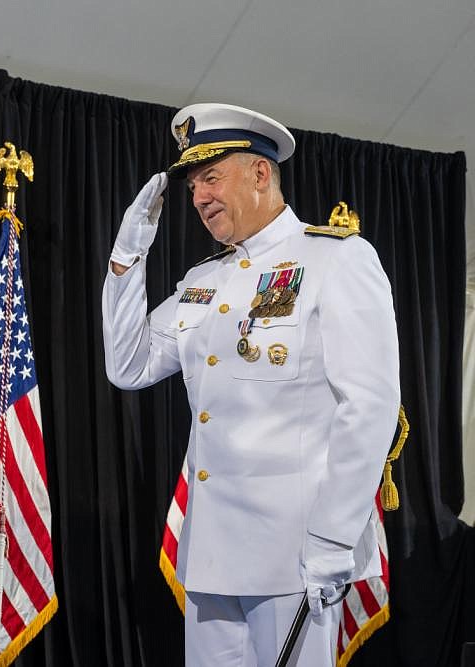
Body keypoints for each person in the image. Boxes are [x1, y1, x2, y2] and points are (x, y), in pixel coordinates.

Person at [102, 103, 400, 666]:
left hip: (295, 553)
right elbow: (129, 364)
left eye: (211, 177)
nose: (198, 197)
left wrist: (334, 539)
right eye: (192, 185)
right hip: (211, 554)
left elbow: (369, 406)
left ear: (261, 173)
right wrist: (126, 257)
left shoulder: (335, 259)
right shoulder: (204, 281)